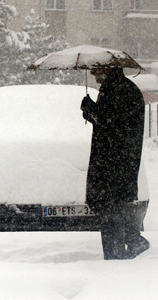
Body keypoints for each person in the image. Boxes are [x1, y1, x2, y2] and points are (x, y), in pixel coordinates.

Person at [80, 67, 150, 260]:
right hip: (115, 164)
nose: (93, 73)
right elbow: (109, 122)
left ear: (107, 70)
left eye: (96, 69)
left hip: (115, 165)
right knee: (113, 212)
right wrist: (91, 112)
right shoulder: (117, 89)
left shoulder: (120, 90)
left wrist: (91, 110)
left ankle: (116, 259)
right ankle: (130, 244)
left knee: (111, 213)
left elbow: (111, 124)